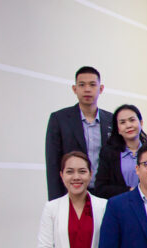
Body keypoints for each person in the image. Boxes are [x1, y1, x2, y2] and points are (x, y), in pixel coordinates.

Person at [45, 66, 113, 200]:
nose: (87, 89)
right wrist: (55, 201)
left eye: (92, 85)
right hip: (71, 193)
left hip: (105, 194)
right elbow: (53, 164)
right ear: (74, 89)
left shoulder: (112, 120)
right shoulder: (59, 119)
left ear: (101, 89)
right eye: (82, 85)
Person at [94, 104, 147, 199]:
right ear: (118, 129)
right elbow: (100, 188)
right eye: (122, 122)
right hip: (120, 206)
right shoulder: (108, 153)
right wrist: (129, 191)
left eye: (132, 120)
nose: (128, 125)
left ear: (141, 123)